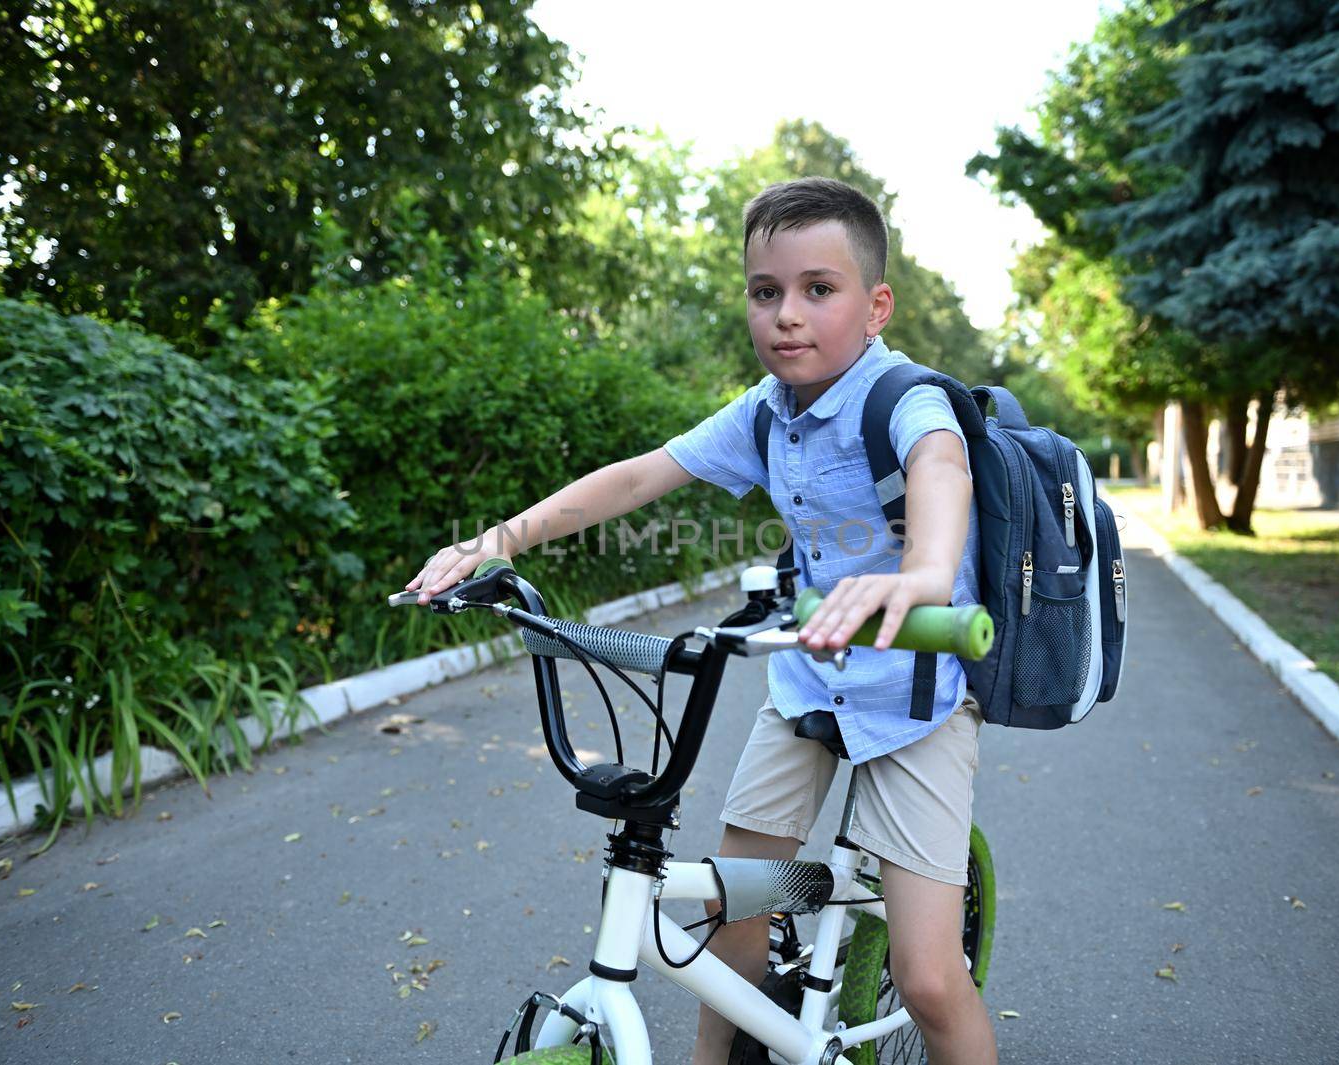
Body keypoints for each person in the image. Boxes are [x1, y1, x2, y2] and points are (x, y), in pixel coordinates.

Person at [405, 176, 995, 1065]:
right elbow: (642, 476)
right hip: (807, 682)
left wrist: (920, 575)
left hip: (916, 696)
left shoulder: (902, 398)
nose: (786, 315)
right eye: (767, 292)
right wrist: (500, 539)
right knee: (732, 911)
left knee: (926, 977)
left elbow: (941, 468)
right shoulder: (766, 411)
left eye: (818, 289)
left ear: (876, 307)